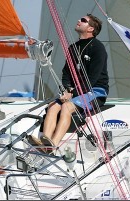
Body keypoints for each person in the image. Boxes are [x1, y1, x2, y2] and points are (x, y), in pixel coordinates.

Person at [28, 14, 109, 154]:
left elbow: (92, 79)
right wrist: (67, 89)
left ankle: (53, 144)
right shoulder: (73, 47)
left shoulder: (97, 48)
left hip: (96, 91)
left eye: (83, 20)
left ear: (90, 28)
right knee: (52, 106)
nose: (78, 20)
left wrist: (73, 93)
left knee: (66, 106)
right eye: (80, 18)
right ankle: (45, 142)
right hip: (74, 91)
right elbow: (66, 73)